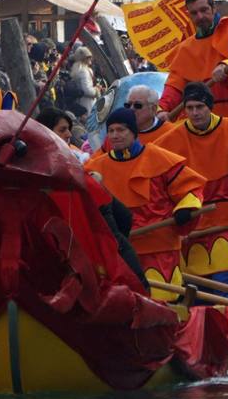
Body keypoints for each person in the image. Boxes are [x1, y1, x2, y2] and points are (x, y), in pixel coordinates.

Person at [157, 82, 228, 289]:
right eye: (190, 108)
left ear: (209, 107)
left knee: (224, 285)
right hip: (193, 225)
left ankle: (226, 316)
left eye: (200, 107)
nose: (195, 113)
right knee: (198, 289)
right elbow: (164, 188)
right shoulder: (170, 140)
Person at [85, 107, 206, 301]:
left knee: (162, 303)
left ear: (134, 132)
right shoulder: (94, 167)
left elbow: (191, 190)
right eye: (111, 130)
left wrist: (186, 208)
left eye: (121, 130)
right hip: (117, 253)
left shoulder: (161, 159)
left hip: (158, 249)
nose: (115, 135)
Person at [65, 46, 98, 118]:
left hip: (84, 101)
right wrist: (97, 90)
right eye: (88, 57)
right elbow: (86, 90)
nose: (90, 59)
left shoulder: (80, 69)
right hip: (86, 102)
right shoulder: (83, 71)